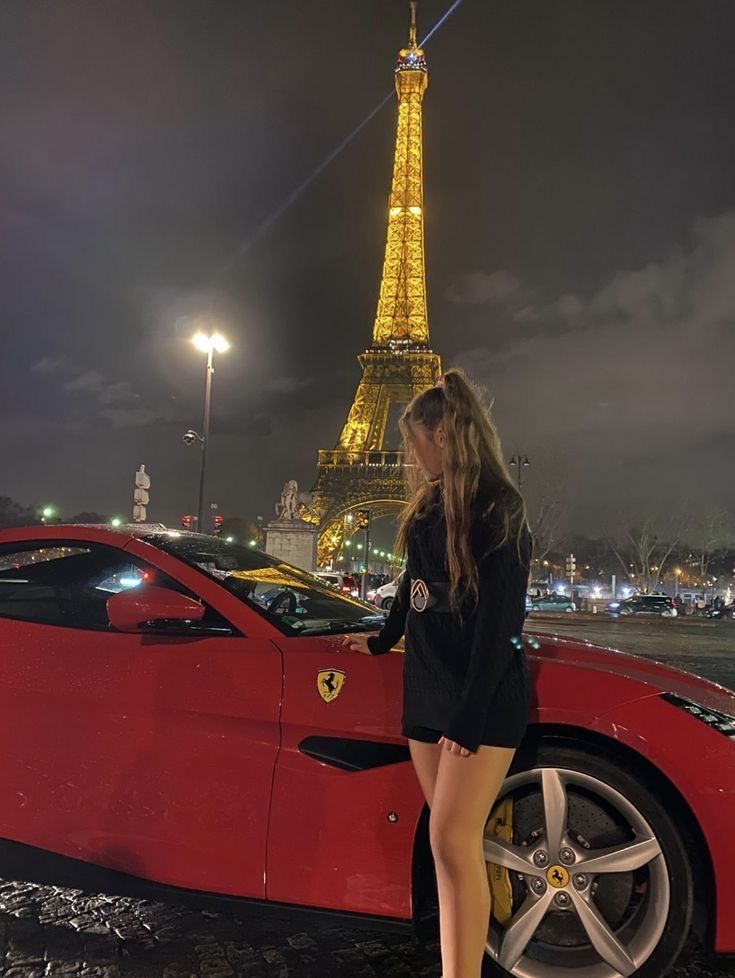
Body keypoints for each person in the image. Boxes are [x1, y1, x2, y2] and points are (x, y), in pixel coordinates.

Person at [340, 368, 532, 978]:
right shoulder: (427, 507)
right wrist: (383, 638)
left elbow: (502, 622)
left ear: (443, 433)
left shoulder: (501, 508)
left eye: (413, 441)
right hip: (426, 681)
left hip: (477, 693)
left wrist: (471, 714)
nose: (408, 454)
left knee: (451, 841)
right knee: (449, 848)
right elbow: (413, 587)